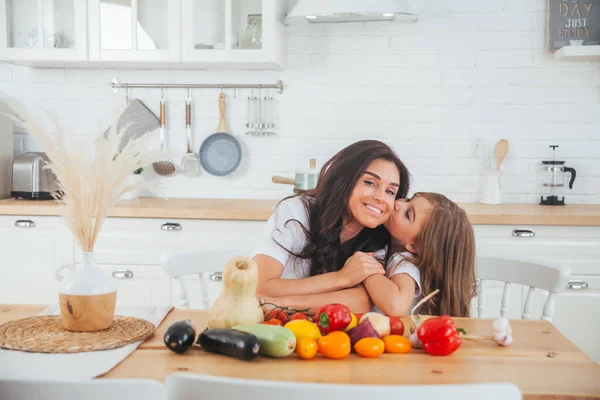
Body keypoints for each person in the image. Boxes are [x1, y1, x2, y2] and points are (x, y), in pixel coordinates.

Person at [253, 140, 411, 313]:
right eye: (370, 183)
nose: (381, 198)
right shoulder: (297, 211)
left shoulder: (379, 237)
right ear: (344, 180)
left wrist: (281, 304)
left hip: (326, 332)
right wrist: (343, 277)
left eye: (390, 191)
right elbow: (260, 286)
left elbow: (361, 302)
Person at [361, 192, 477, 317]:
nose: (398, 203)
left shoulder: (404, 263)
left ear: (414, 245)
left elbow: (396, 306)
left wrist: (366, 269)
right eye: (408, 200)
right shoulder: (387, 249)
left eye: (407, 214)